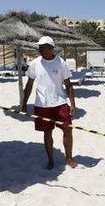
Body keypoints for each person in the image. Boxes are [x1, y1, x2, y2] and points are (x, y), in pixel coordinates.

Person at [21, 36, 77, 170]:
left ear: (51, 48)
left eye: (43, 47)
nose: (39, 49)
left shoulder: (61, 62)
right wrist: (24, 103)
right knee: (47, 133)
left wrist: (73, 104)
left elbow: (68, 85)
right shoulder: (35, 63)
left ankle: (69, 158)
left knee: (68, 130)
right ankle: (51, 160)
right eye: (39, 47)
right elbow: (29, 85)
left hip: (60, 102)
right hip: (42, 105)